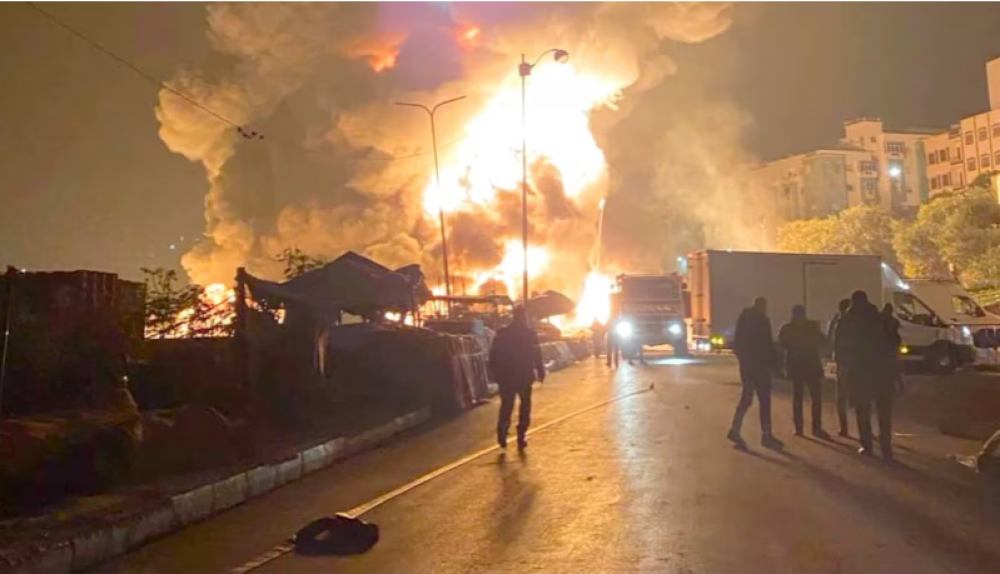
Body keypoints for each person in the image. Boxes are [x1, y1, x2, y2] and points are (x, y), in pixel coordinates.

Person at [838, 290, 895, 460]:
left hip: (859, 371)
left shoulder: (847, 320)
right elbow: (894, 341)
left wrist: (844, 367)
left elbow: (840, 346)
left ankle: (867, 445)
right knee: (884, 411)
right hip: (882, 370)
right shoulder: (881, 318)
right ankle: (886, 447)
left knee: (862, 409)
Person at [728, 297, 783, 450]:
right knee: (764, 401)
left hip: (747, 366)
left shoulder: (743, 320)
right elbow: (767, 345)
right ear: (763, 307)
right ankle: (766, 435)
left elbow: (737, 343)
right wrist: (776, 367)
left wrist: (743, 360)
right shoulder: (763, 321)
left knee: (747, 398)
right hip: (760, 366)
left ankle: (735, 429)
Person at [489, 305, 545, 450]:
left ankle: (502, 432)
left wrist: (495, 373)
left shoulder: (503, 333)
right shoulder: (530, 334)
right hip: (524, 375)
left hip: (506, 376)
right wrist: (540, 371)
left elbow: (494, 355)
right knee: (525, 405)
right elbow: (536, 354)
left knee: (506, 405)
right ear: (524, 317)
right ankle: (521, 435)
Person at [779, 305, 830, 439]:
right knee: (815, 398)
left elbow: (782, 346)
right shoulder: (811, 327)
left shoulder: (787, 329)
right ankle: (816, 428)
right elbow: (823, 341)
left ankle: (799, 428)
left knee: (798, 398)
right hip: (811, 366)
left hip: (797, 367)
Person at [828, 298, 852, 437]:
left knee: (841, 397)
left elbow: (831, 339)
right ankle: (867, 430)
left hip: (842, 362)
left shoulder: (837, 321)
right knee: (861, 397)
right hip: (856, 363)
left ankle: (844, 428)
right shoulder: (854, 322)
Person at [882, 303, 904, 394]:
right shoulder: (893, 321)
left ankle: (889, 388)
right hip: (892, 348)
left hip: (883, 349)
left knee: (885, 370)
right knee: (895, 370)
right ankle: (899, 388)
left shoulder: (881, 320)